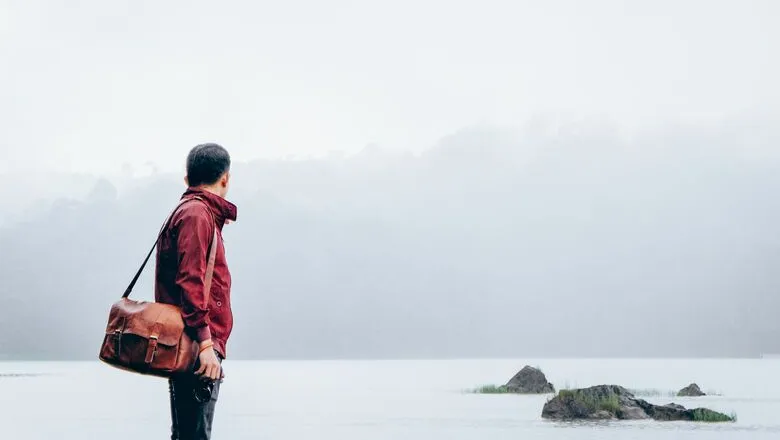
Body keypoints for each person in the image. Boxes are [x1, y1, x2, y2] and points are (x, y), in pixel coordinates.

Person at [154, 143, 238, 440]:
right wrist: (205, 345)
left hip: (191, 344)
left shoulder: (193, 212)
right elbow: (190, 282)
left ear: (186, 178)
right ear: (225, 178)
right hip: (195, 346)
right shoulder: (197, 216)